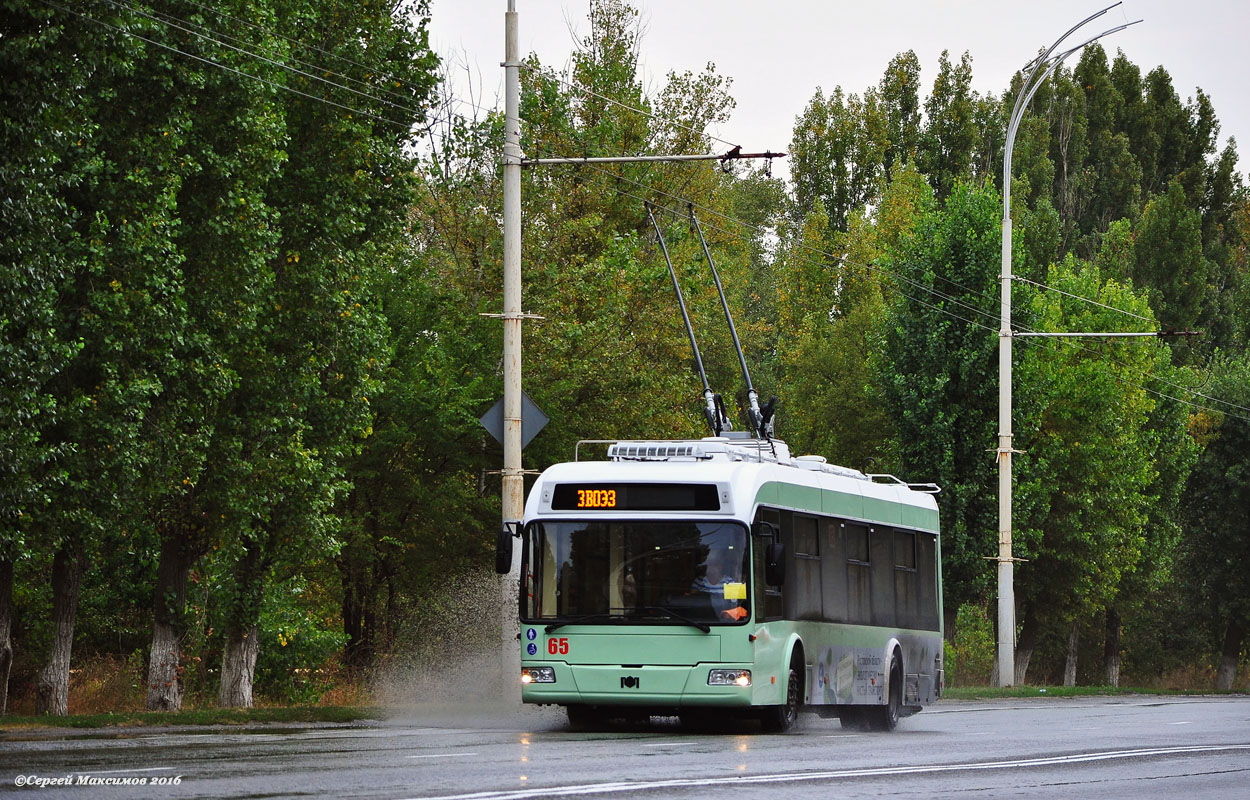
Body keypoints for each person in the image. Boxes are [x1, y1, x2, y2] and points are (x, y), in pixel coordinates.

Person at [693, 549, 748, 621]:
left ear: (720, 567)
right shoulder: (699, 581)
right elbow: (692, 599)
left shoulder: (729, 581)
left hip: (723, 620)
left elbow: (734, 602)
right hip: (702, 618)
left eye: (715, 565)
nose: (712, 568)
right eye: (710, 565)